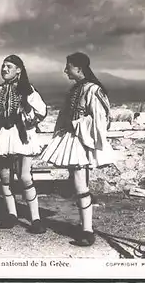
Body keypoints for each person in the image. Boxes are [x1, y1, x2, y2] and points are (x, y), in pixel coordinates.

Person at [40, 52, 115, 246]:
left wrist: (78, 125)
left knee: (81, 186)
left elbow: (101, 119)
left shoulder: (92, 89)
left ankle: (88, 232)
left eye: (69, 66)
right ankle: (84, 226)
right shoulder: (75, 89)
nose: (66, 70)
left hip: (82, 141)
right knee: (78, 185)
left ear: (79, 68)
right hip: (73, 140)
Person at [0, 54, 47, 234]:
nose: (4, 69)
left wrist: (26, 119)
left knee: (25, 177)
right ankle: (11, 214)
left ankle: (35, 218)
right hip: (1, 136)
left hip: (21, 134)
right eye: (3, 66)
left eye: (9, 66)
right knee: (4, 177)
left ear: (19, 70)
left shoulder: (28, 90)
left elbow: (41, 111)